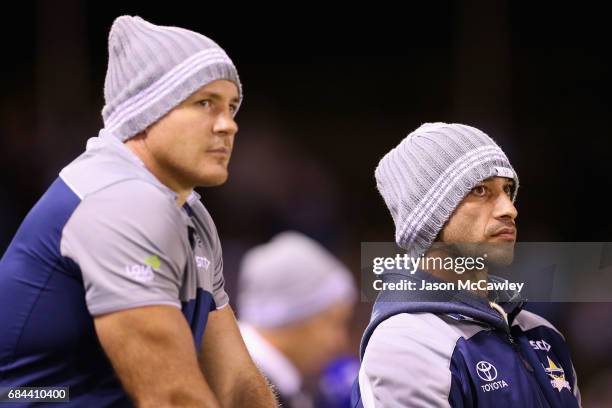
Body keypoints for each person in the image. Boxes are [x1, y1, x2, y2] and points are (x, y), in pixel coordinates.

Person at [0, 15, 276, 408]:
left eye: (231, 107)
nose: (228, 125)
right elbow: (171, 396)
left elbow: (233, 384)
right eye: (204, 104)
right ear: (145, 112)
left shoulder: (190, 216)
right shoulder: (119, 200)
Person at [352, 123, 582, 407]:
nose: (510, 209)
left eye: (507, 189)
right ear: (429, 215)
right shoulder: (406, 344)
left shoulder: (542, 333)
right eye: (480, 190)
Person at [237, 231, 357, 408]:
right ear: (297, 315)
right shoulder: (242, 388)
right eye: (335, 323)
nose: (341, 341)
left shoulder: (263, 381)